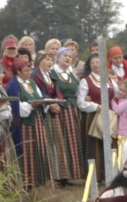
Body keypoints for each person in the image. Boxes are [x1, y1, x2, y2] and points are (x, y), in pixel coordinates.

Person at [7, 57, 54, 190]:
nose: (29, 73)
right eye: (26, 70)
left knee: (40, 148)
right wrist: (31, 105)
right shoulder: (13, 85)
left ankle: (41, 182)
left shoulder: (32, 83)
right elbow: (16, 108)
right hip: (25, 124)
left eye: (30, 70)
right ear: (18, 71)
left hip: (37, 121)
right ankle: (28, 183)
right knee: (28, 151)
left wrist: (45, 102)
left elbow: (40, 96)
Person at [33, 49, 74, 186]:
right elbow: (39, 94)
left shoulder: (49, 75)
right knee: (49, 143)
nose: (50, 62)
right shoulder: (36, 76)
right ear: (39, 61)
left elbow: (57, 91)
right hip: (44, 113)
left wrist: (56, 102)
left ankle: (61, 176)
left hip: (53, 111)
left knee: (58, 143)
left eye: (51, 60)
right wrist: (50, 104)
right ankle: (52, 177)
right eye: (47, 59)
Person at [50, 47, 86, 182]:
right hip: (59, 110)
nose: (68, 58)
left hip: (73, 110)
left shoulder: (72, 74)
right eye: (65, 55)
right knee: (60, 140)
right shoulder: (52, 73)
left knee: (74, 140)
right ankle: (61, 175)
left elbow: (78, 92)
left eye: (70, 56)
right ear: (58, 57)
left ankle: (74, 173)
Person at [77, 55, 115, 182]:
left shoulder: (109, 80)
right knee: (95, 146)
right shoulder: (85, 81)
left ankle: (109, 175)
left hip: (109, 116)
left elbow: (117, 94)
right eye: (92, 63)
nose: (95, 65)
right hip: (93, 117)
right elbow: (80, 102)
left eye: (98, 62)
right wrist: (95, 106)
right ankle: (95, 177)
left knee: (109, 144)